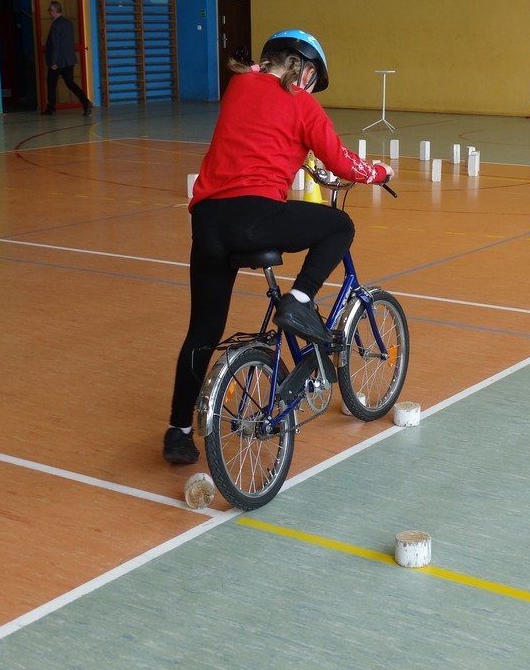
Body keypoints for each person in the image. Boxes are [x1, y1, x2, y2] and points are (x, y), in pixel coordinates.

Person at [163, 29, 394, 464]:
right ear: (303, 68)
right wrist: (379, 173)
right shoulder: (302, 103)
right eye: (312, 77)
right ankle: (299, 301)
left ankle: (178, 431)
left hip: (208, 222)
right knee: (339, 226)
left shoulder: (238, 86)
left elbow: (260, 129)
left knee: (203, 330)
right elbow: (340, 161)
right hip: (255, 219)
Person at [42, 1, 93, 116]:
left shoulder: (56, 25)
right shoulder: (68, 23)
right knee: (70, 83)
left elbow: (56, 45)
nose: (49, 13)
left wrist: (53, 62)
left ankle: (51, 108)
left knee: (51, 84)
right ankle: (86, 102)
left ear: (54, 11)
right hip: (69, 60)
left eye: (50, 10)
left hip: (58, 61)